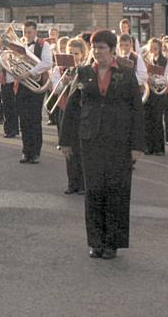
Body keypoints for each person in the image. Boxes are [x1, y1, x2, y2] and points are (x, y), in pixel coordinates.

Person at [60, 29, 144, 259]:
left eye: (102, 48)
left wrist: (137, 145)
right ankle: (96, 241)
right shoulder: (84, 72)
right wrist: (65, 141)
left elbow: (137, 110)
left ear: (112, 50)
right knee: (94, 190)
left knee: (116, 190)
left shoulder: (126, 74)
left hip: (119, 141)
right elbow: (72, 107)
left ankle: (112, 243)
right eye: (95, 47)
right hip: (90, 140)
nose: (97, 52)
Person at [53, 36, 89, 195]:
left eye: (76, 54)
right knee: (67, 147)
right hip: (64, 109)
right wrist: (65, 83)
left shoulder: (86, 70)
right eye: (70, 53)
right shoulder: (59, 69)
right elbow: (55, 90)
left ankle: (82, 184)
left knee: (81, 148)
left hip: (80, 112)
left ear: (82, 55)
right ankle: (72, 183)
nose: (73, 57)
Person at [16, 21, 53, 164]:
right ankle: (26, 152)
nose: (26, 35)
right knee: (24, 121)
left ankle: (35, 152)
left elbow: (47, 63)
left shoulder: (44, 45)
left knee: (34, 120)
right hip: (22, 86)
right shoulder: (20, 45)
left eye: (29, 32)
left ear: (35, 32)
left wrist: (29, 73)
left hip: (36, 85)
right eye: (25, 32)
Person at [142, 37, 168, 156]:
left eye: (155, 48)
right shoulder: (148, 60)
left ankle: (159, 148)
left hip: (159, 93)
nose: (153, 51)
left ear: (160, 48)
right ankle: (149, 146)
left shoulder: (165, 61)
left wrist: (155, 80)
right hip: (149, 92)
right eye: (151, 48)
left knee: (157, 120)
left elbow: (167, 77)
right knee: (148, 119)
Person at [0, 44, 19, 139]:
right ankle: (7, 129)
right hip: (5, 83)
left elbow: (17, 71)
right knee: (6, 107)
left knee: (13, 107)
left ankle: (14, 129)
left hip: (14, 84)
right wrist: (1, 61)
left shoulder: (17, 57)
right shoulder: (2, 57)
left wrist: (10, 65)